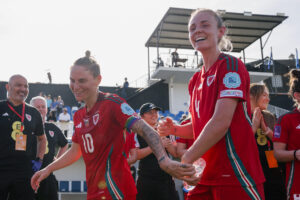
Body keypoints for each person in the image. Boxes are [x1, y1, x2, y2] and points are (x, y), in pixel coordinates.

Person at [31, 51, 196, 200]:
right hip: (95, 192)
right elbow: (75, 151)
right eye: (72, 80)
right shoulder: (79, 115)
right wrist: (48, 169)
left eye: (82, 80)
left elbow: (145, 129)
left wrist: (163, 160)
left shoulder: (112, 103)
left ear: (98, 80)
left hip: (117, 190)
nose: (76, 86)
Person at [158, 9, 265, 200]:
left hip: (235, 173)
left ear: (221, 31)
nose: (197, 30)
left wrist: (187, 157)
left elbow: (220, 122)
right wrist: (175, 129)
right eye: (192, 28)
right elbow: (198, 127)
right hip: (204, 175)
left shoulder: (230, 65)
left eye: (205, 25)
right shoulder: (194, 80)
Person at [0, 74, 47, 200]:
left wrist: (39, 159)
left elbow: (42, 139)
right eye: (18, 85)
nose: (23, 89)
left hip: (24, 171)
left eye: (26, 86)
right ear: (7, 87)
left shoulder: (33, 112)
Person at [135, 103, 179, 200]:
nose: (154, 115)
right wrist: (157, 145)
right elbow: (136, 155)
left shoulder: (165, 129)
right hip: (146, 179)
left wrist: (168, 144)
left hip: (166, 178)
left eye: (155, 112)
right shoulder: (137, 132)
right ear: (142, 116)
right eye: (150, 113)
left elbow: (175, 153)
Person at [250, 83, 286, 200]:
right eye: (264, 95)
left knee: (275, 188)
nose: (268, 99)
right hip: (252, 162)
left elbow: (278, 140)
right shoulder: (242, 116)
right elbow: (240, 143)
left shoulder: (269, 116)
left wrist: (266, 130)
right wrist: (254, 127)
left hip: (270, 158)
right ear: (252, 96)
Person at [30, 96, 68, 200]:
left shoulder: (52, 128)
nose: (41, 109)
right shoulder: (25, 126)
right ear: (31, 108)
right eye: (38, 107)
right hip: (28, 176)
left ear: (47, 109)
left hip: (47, 176)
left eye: (43, 106)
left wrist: (57, 159)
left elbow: (64, 144)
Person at [273, 69, 300, 200]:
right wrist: (296, 154)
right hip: (297, 185)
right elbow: (277, 154)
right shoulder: (285, 120)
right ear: (297, 95)